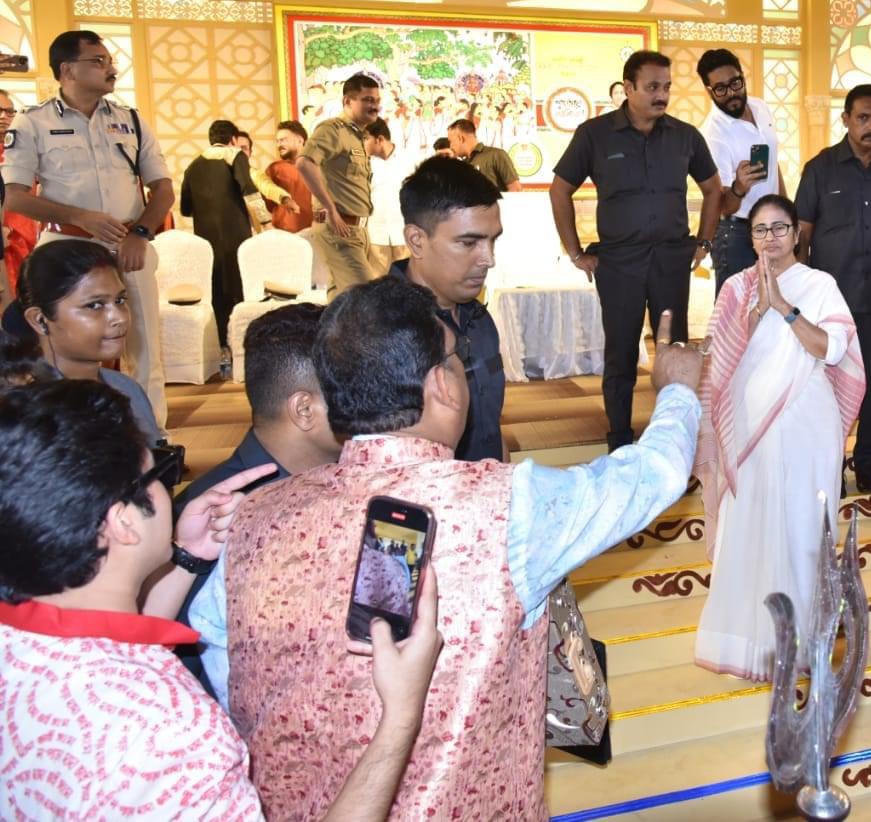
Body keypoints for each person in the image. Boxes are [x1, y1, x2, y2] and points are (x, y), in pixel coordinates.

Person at [223, 276, 705, 820]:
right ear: (442, 385)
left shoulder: (249, 516)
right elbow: (649, 478)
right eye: (457, 361)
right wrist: (677, 392)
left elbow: (228, 683)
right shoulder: (509, 505)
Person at [0, 378, 443, 821]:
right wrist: (401, 716)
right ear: (121, 522)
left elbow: (106, 650)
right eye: (162, 472)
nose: (170, 489)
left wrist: (188, 558)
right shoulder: (173, 734)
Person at [693, 194, 865, 681]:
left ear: (796, 233)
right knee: (749, 518)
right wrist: (756, 310)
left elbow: (832, 350)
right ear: (750, 238)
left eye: (779, 229)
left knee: (802, 525)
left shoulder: (819, 285)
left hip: (806, 422)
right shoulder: (734, 288)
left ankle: (807, 637)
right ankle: (753, 639)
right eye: (760, 230)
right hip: (748, 421)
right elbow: (720, 360)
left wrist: (785, 309)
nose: (770, 239)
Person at [550, 49, 723, 452]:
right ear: (628, 88)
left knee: (674, 352)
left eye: (666, 87)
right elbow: (561, 189)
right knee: (621, 354)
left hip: (670, 260)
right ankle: (619, 439)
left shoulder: (684, 136)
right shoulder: (594, 134)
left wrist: (704, 241)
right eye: (652, 87)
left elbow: (714, 188)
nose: (661, 95)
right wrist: (576, 252)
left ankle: (674, 434)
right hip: (619, 264)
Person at [2, 29, 172, 434]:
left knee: (144, 344)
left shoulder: (129, 119)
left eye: (109, 60)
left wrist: (141, 233)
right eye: (98, 61)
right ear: (68, 70)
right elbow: (14, 197)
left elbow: (163, 188)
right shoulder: (33, 122)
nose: (109, 68)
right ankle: (69, 427)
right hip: (66, 246)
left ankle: (152, 436)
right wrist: (83, 216)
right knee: (63, 342)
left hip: (129, 246)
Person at [181, 303, 342, 706]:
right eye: (353, 388)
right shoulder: (210, 522)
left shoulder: (348, 483)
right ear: (305, 409)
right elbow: (192, 676)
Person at [796, 84, 871, 493]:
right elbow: (802, 238)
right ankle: (830, 464)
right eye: (864, 117)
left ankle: (866, 462)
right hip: (827, 303)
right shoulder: (820, 169)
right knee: (826, 385)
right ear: (846, 119)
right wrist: (798, 298)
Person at [394, 155, 505, 462]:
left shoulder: (478, 318)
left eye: (493, 241)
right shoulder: (381, 332)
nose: (488, 259)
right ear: (416, 240)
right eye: (469, 243)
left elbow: (491, 428)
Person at [14, 239, 160, 445]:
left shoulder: (126, 389)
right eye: (95, 305)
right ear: (39, 319)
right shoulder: (25, 412)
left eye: (120, 300)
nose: (119, 317)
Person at [697, 48, 785, 294]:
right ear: (709, 91)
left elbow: (773, 162)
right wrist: (739, 187)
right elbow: (724, 206)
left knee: (771, 303)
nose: (731, 93)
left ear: (743, 77)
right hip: (736, 233)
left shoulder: (760, 107)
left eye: (735, 83)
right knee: (734, 312)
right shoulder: (713, 134)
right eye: (721, 89)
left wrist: (786, 211)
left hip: (771, 225)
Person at [180, 119, 268, 348]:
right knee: (239, 286)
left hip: (206, 239)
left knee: (216, 289)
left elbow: (185, 208)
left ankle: (219, 346)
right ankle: (240, 343)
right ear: (232, 140)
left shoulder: (194, 165)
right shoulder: (234, 156)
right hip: (236, 234)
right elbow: (249, 191)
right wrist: (266, 222)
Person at [297, 72, 380, 298]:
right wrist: (331, 209)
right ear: (347, 101)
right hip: (340, 229)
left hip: (357, 229)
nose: (375, 107)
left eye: (377, 101)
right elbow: (304, 163)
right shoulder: (333, 130)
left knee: (340, 302)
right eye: (367, 100)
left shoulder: (357, 136)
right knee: (366, 300)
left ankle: (331, 335)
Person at [0, 88, 38, 303]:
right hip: (5, 242)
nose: (4, 117)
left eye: (9, 111)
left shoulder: (21, 149)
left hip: (28, 239)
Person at [365, 118, 417, 276]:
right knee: (377, 286)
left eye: (366, 138)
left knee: (407, 284)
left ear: (379, 139)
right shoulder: (366, 164)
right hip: (376, 234)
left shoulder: (410, 160)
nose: (362, 143)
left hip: (404, 234)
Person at [234, 129, 300, 222]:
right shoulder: (216, 171)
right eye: (235, 148)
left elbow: (267, 186)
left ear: (250, 152)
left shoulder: (254, 174)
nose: (239, 152)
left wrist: (285, 199)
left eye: (244, 148)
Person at [446, 117, 522, 193]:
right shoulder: (463, 164)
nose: (450, 146)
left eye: (451, 141)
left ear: (461, 138)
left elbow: (516, 189)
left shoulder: (496, 155)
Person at [266, 120, 314, 234]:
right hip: (283, 235)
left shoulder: (320, 167)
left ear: (300, 140)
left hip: (315, 234)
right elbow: (268, 205)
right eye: (277, 141)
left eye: (283, 140)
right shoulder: (275, 169)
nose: (279, 145)